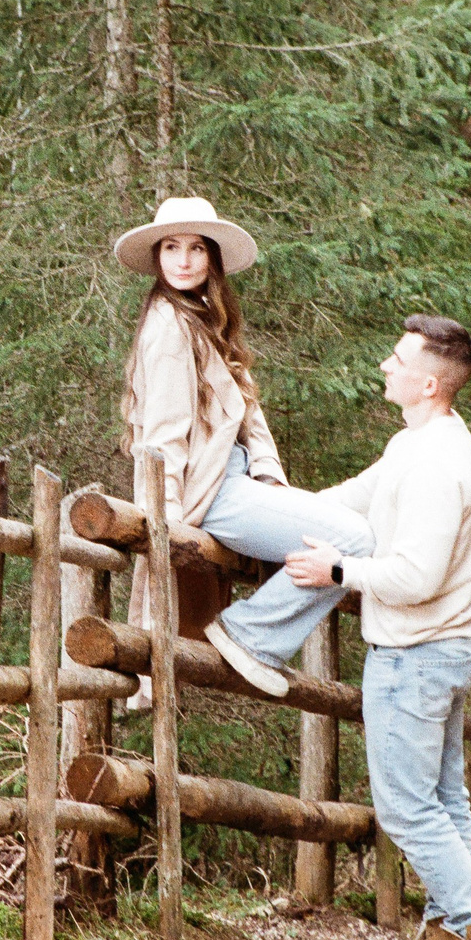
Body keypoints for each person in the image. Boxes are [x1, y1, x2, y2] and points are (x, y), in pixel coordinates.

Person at [282, 315, 471, 940]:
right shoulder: (413, 445)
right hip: (436, 650)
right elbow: (351, 497)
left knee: (406, 807)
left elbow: (415, 575)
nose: (383, 365)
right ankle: (447, 939)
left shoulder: (438, 464)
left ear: (427, 381)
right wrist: (272, 513)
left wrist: (337, 571)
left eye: (396, 358)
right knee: (443, 801)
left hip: (417, 654)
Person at [115, 197, 375, 699]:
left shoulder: (206, 318)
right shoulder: (168, 327)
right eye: (171, 247)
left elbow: (248, 411)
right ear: (158, 257)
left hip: (235, 482)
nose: (184, 260)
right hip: (210, 492)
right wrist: (164, 521)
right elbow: (163, 437)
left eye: (195, 248)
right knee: (353, 541)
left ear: (211, 258)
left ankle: (251, 634)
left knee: (354, 532)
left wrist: (270, 476)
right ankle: (250, 635)